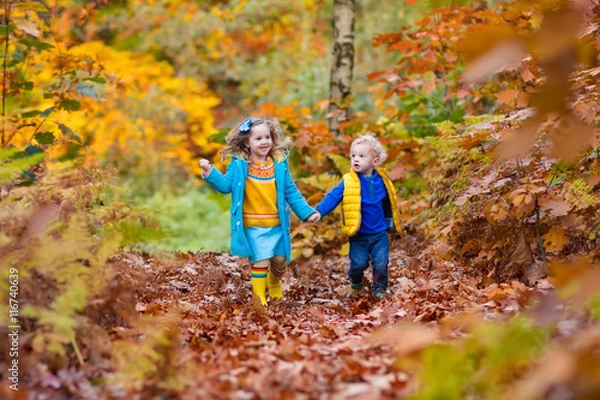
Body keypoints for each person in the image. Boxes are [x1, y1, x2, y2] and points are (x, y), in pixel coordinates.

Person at [199, 117, 320, 306]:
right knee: (261, 261)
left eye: (267, 137)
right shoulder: (239, 165)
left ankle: (274, 282)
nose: (264, 142)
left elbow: (290, 190)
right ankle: (259, 297)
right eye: (258, 139)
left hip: (277, 224)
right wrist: (210, 170)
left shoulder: (279, 164)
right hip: (253, 226)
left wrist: (306, 212)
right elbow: (225, 185)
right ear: (247, 142)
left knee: (280, 260)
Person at [314, 134, 402, 297]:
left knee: (381, 263)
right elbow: (333, 196)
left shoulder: (384, 182)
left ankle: (379, 290)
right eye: (353, 155)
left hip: (379, 233)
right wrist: (319, 211)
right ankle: (356, 283)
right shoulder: (348, 181)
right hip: (358, 234)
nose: (356, 159)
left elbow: (391, 202)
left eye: (362, 156)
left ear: (375, 161)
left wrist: (394, 223)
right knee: (358, 264)